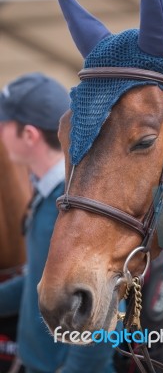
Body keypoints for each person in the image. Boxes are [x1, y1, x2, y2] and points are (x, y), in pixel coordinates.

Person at [0, 72, 117, 373]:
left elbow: (108, 304)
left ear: (29, 135)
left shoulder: (75, 207)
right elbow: (36, 282)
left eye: (5, 124)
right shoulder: (48, 196)